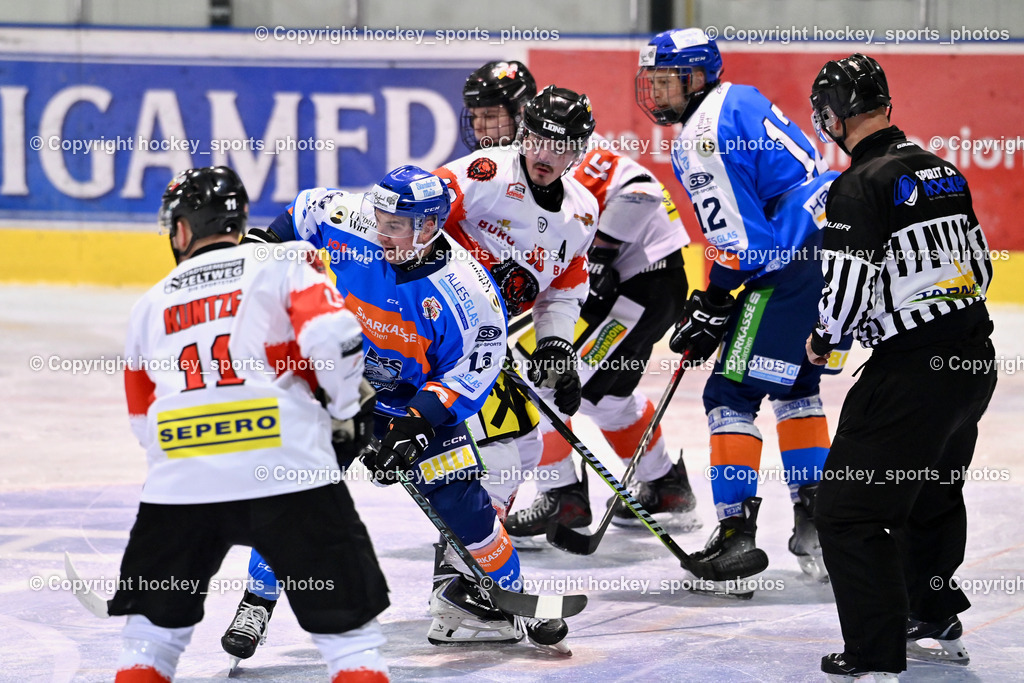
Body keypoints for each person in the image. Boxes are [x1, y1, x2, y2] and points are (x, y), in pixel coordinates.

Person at [223, 165, 572, 655]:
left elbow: (473, 371)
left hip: (413, 402)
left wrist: (416, 423)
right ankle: (256, 603)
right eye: (379, 217)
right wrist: (262, 245)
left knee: (462, 506)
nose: (380, 230)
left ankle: (513, 596)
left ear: (428, 227)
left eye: (394, 224)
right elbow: (309, 209)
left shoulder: (467, 291)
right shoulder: (354, 222)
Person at [110, 166, 390, 682]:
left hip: (183, 485)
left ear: (184, 230)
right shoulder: (283, 263)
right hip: (289, 472)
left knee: (149, 644)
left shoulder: (150, 303)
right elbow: (335, 336)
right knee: (352, 645)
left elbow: (140, 418)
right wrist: (347, 408)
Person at [807, 53, 996, 680]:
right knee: (931, 492)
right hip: (974, 359)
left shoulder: (857, 186)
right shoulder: (944, 171)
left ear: (833, 118)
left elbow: (847, 287)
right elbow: (982, 266)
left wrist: (823, 341)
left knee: (847, 511)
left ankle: (874, 652)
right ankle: (933, 615)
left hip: (914, 373)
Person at [635, 28, 839, 591]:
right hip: (828, 250)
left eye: (665, 81)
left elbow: (742, 243)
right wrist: (715, 298)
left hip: (786, 263)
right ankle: (817, 523)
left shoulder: (700, 136)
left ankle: (735, 535)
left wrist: (715, 300)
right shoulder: (741, 96)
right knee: (797, 389)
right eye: (650, 81)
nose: (655, 92)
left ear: (696, 76)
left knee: (730, 393)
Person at [433, 85, 599, 531]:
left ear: (578, 151)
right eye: (538, 139)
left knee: (526, 443)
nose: (545, 154)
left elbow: (565, 286)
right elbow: (416, 220)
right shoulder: (486, 173)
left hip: (484, 337)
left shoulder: (582, 211)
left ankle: (482, 543)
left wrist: (555, 347)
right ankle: (465, 565)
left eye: (560, 146)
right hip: (436, 328)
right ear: (523, 133)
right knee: (502, 452)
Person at [460, 60, 537, 150]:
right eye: (474, 116)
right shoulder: (465, 163)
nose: (477, 126)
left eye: (490, 116)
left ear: (522, 116)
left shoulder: (547, 161)